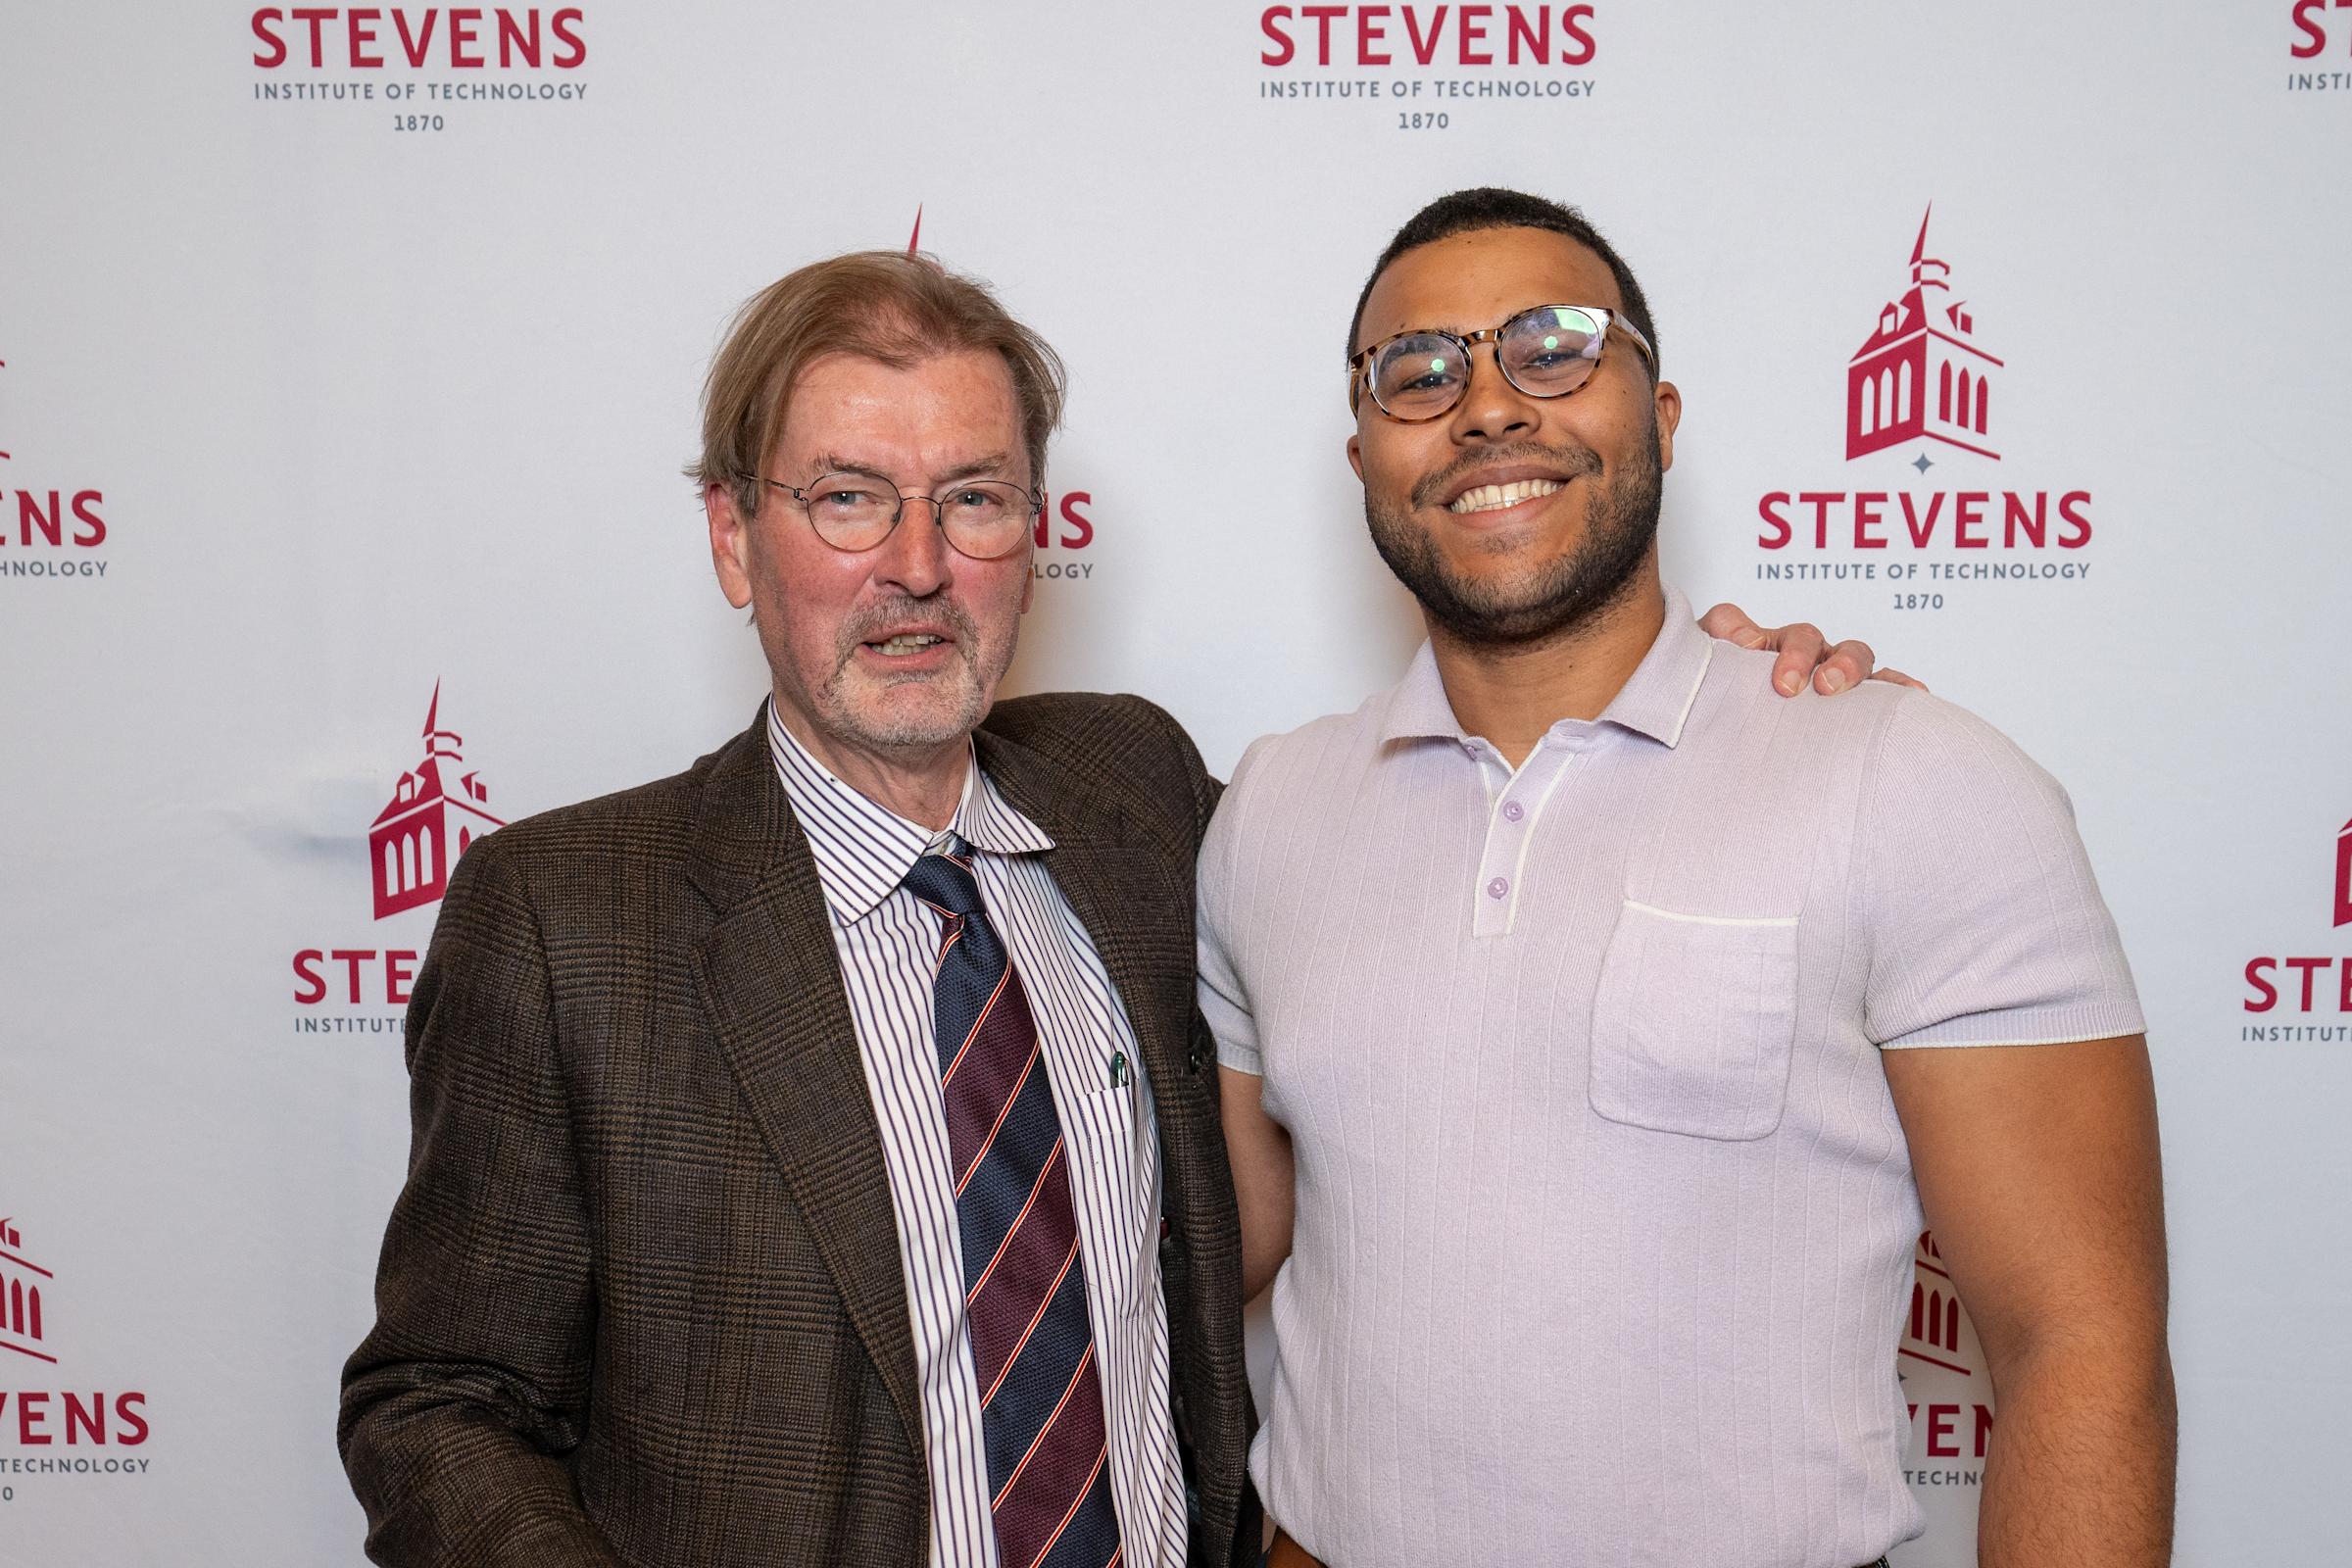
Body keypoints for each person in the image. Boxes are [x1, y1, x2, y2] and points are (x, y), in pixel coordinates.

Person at [338, 248, 1887, 1568]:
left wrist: (1735, 701)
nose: (920, 569)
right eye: (848, 500)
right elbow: (439, 1404)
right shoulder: (563, 917)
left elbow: (1446, 891)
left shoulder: (1142, 801)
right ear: (736, 539)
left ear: (1036, 535)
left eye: (977, 499)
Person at [1203, 189, 2175, 1568]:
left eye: (1555, 347)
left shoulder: (1911, 778)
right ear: (1363, 453)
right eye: (1419, 372)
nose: (1487, 407)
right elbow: (1214, 1246)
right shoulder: (1269, 811)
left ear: (1658, 418)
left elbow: (2084, 1343)